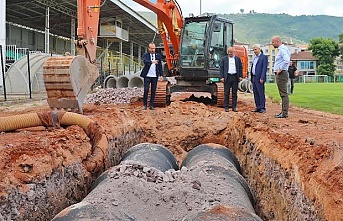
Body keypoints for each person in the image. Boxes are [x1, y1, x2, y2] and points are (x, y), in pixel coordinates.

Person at [271, 35, 291, 118]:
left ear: (277, 41)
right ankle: (283, 111)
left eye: (273, 42)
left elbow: (286, 60)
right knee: (283, 93)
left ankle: (284, 112)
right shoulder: (284, 49)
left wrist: (280, 69)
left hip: (281, 74)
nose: (272, 44)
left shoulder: (282, 50)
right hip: (282, 73)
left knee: (283, 94)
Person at [140, 42, 163, 110]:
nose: (153, 50)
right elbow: (145, 61)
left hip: (154, 76)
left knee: (153, 90)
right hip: (147, 75)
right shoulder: (146, 55)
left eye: (154, 48)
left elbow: (160, 66)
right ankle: (145, 105)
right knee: (146, 90)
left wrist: (161, 75)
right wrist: (152, 62)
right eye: (152, 48)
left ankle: (151, 105)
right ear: (149, 48)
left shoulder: (158, 55)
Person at [219, 47, 243, 112]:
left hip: (235, 77)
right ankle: (226, 107)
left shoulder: (238, 59)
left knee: (234, 93)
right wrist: (222, 77)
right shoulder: (224, 59)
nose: (230, 54)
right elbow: (221, 68)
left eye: (231, 52)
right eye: (229, 52)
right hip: (227, 77)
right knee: (226, 93)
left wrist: (240, 76)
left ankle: (234, 107)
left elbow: (240, 68)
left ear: (234, 52)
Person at [250, 44, 268, 113]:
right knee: (255, 93)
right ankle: (258, 107)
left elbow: (264, 68)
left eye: (255, 49)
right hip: (254, 77)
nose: (254, 51)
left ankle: (262, 107)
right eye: (253, 50)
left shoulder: (263, 57)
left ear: (259, 49)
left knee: (260, 92)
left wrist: (262, 77)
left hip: (260, 78)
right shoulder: (255, 58)